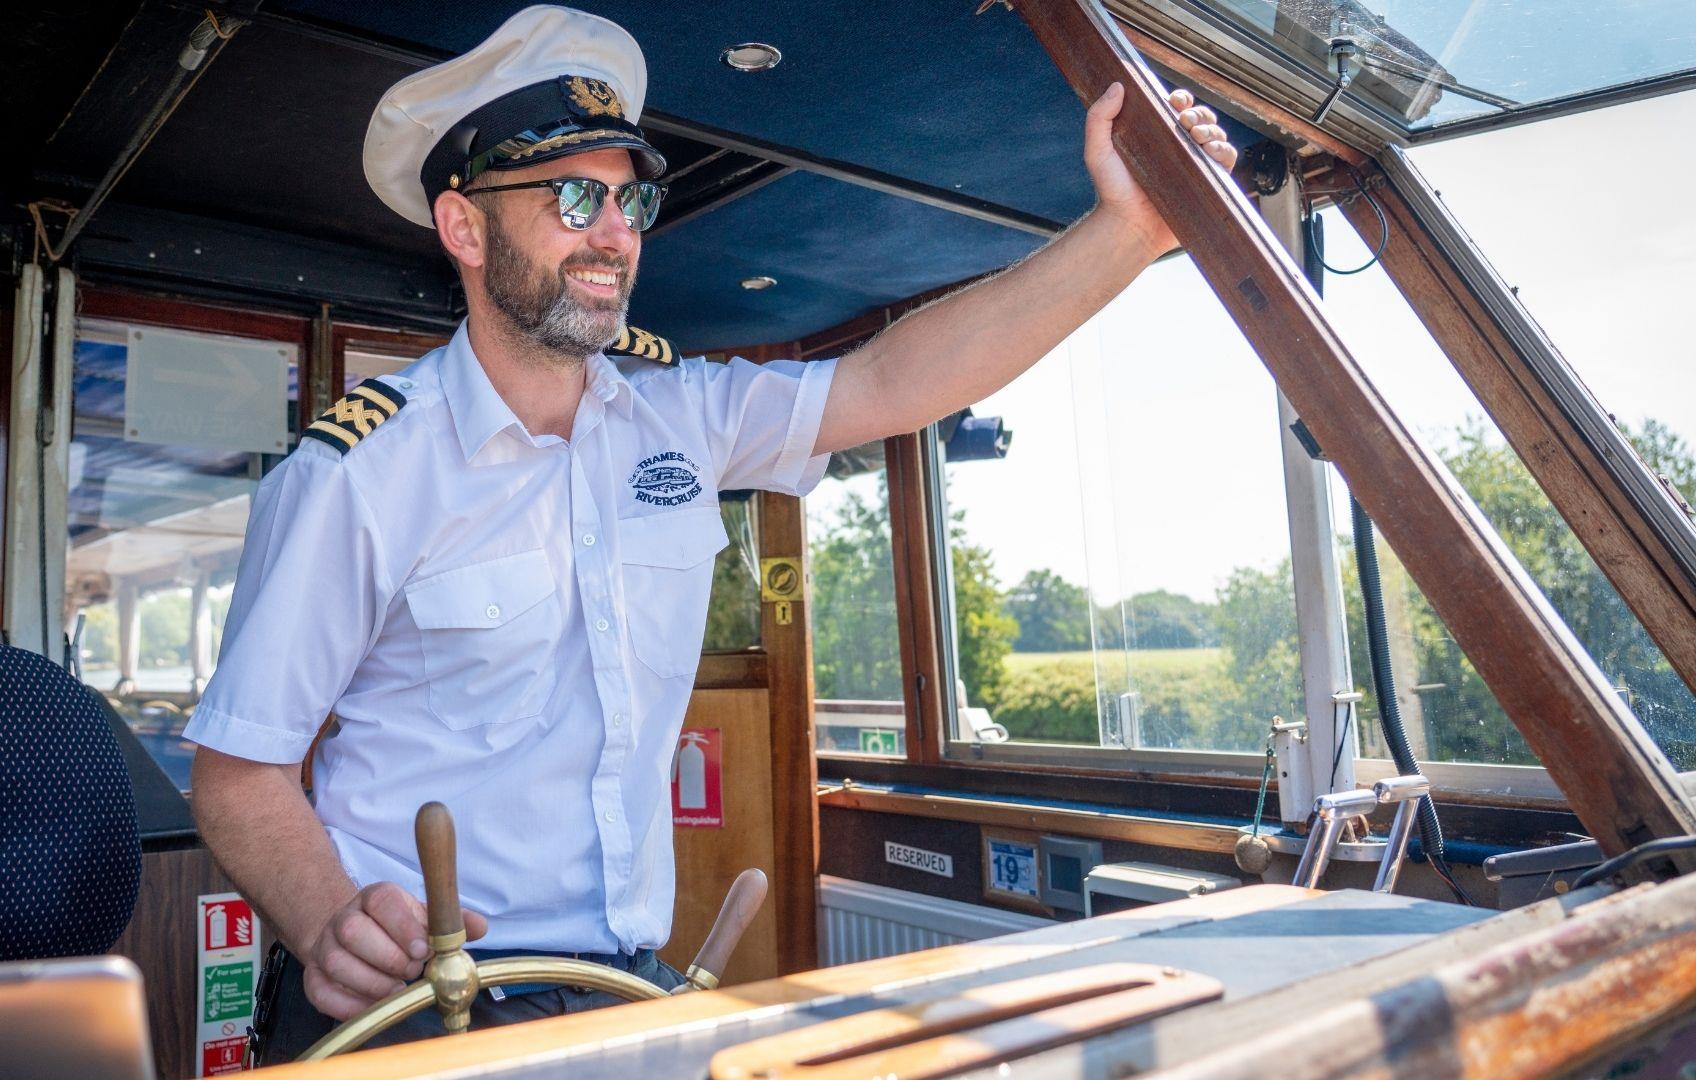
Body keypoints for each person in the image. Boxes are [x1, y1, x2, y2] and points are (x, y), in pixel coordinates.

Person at [185, 2, 1238, 1060]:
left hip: (613, 994)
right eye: (571, 195)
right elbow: (241, 771)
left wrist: (1131, 231)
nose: (615, 231)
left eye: (630, 197)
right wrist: (328, 919)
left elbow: (893, 382)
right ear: (466, 227)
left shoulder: (678, 416)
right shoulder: (357, 475)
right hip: (414, 1007)